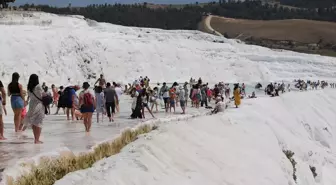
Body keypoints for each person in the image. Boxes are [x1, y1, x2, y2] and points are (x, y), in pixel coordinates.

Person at [23, 74, 45, 144]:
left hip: (32, 105)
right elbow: (42, 95)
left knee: (34, 123)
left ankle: (36, 139)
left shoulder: (29, 87)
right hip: (39, 104)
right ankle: (37, 140)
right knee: (38, 122)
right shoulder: (38, 86)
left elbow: (29, 97)